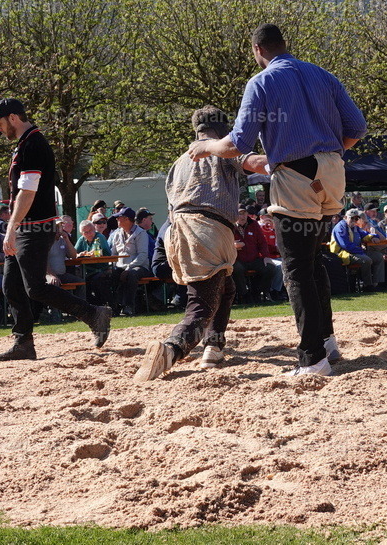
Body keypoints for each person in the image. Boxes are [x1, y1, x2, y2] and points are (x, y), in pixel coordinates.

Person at [187, 24, 367, 377]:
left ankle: (313, 359)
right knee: (312, 262)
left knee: (296, 270)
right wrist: (326, 155)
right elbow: (357, 128)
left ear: (257, 50)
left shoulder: (262, 82)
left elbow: (237, 143)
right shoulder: (324, 75)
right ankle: (327, 342)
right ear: (285, 44)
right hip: (333, 172)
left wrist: (206, 146)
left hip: (296, 177)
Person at [134, 106, 268, 382]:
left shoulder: (180, 161)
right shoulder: (223, 148)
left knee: (226, 288)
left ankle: (214, 346)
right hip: (207, 229)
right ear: (223, 128)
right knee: (201, 307)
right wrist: (290, 160)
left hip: (176, 231)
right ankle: (170, 349)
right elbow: (256, 163)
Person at [0, 98, 112, 360]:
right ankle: (23, 343)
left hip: (34, 228)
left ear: (13, 118)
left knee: (35, 288)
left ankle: (93, 314)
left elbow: (27, 192)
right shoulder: (25, 143)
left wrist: (11, 228)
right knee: (12, 285)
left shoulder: (33, 144)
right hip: (26, 227)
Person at [106, 207, 151, 316]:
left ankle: (129, 306)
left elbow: (142, 255)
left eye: (119, 218)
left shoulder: (141, 233)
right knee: (108, 276)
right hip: (120, 266)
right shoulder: (117, 234)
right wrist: (109, 266)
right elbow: (113, 253)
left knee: (131, 275)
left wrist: (129, 267)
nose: (117, 220)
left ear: (126, 219)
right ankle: (114, 306)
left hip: (139, 266)